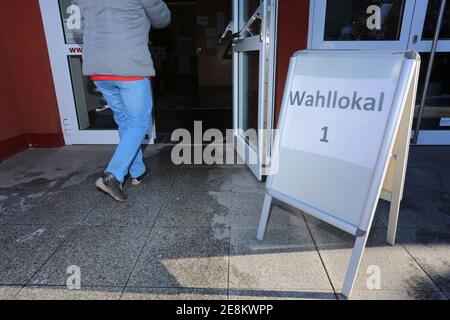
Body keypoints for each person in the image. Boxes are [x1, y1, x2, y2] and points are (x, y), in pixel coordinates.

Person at [72, 0, 171, 201]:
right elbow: (163, 19)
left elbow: (77, 33)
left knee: (125, 121)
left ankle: (138, 172)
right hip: (129, 67)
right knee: (139, 123)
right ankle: (113, 176)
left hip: (98, 70)